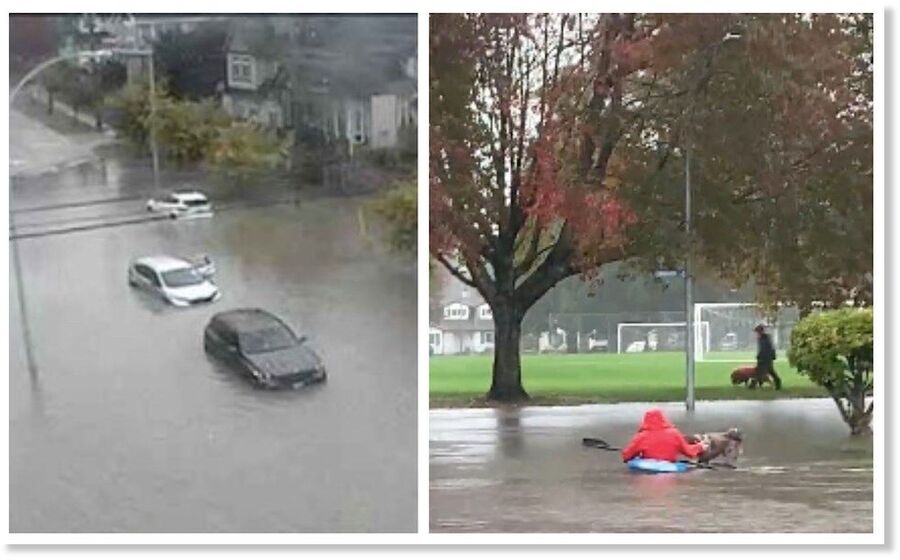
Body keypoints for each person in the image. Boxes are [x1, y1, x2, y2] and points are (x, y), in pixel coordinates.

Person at [621, 409, 708, 463]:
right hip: (670, 466)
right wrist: (700, 447)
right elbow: (688, 451)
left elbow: (626, 455)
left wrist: (635, 455)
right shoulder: (675, 434)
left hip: (648, 468)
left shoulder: (641, 436)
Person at [754, 324, 782, 390]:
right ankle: (753, 385)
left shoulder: (764, 339)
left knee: (766, 371)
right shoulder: (761, 338)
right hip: (764, 358)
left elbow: (765, 349)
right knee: (761, 372)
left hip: (766, 358)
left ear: (760, 331)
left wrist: (760, 356)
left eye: (757, 332)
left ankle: (778, 382)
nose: (757, 333)